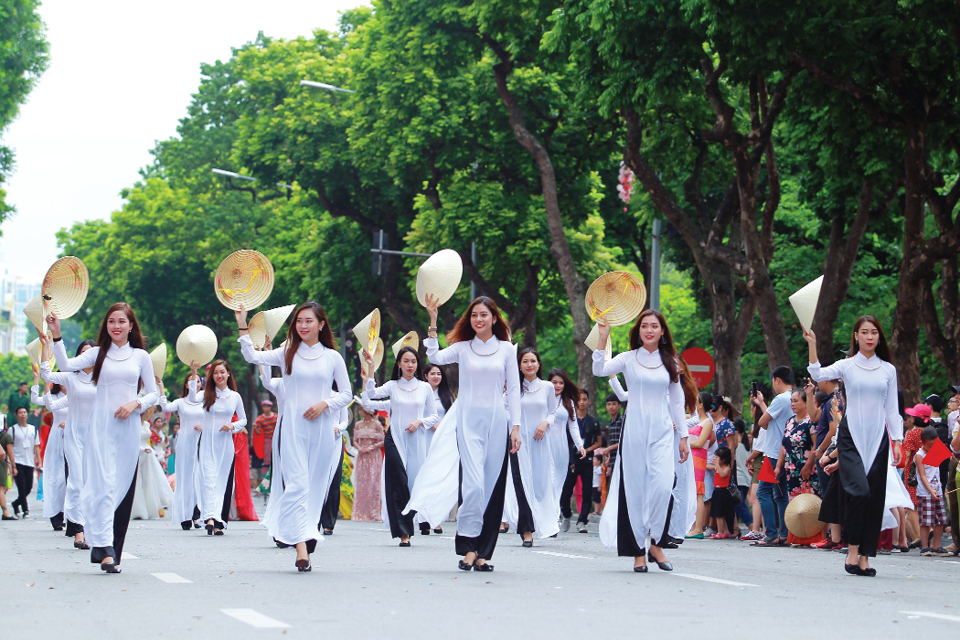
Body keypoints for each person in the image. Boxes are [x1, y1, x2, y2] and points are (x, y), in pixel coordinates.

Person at [236, 301, 352, 572]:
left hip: (322, 430)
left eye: (309, 321)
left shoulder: (332, 357)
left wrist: (325, 404)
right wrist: (243, 324)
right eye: (299, 321)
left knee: (314, 487)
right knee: (297, 484)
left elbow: (346, 394)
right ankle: (300, 546)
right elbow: (253, 357)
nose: (303, 325)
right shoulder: (287, 352)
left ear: (321, 324)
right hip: (292, 430)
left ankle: (304, 536)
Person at [49, 303, 159, 573]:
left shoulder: (141, 357)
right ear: (106, 326)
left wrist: (135, 404)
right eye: (111, 321)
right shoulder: (98, 354)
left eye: (122, 321)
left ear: (131, 326)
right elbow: (65, 365)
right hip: (100, 428)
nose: (117, 326)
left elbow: (154, 394)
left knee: (120, 486)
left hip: (128, 428)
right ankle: (105, 549)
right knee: (102, 485)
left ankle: (109, 549)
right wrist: (56, 335)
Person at [416, 294, 523, 572]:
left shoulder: (507, 350)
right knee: (473, 484)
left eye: (484, 315)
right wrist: (433, 323)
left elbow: (513, 390)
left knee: (491, 487)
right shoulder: (463, 348)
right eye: (474, 315)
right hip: (468, 422)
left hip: (497, 422)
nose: (478, 319)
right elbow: (435, 357)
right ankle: (468, 547)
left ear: (494, 318)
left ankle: (483, 553)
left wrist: (516, 427)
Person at [593, 309, 693, 572]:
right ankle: (638, 550)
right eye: (644, 326)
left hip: (661, 432)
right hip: (634, 432)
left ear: (662, 332)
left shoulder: (670, 361)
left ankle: (656, 543)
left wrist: (683, 436)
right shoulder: (628, 358)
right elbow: (599, 369)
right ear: (638, 331)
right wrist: (603, 338)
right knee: (635, 493)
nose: (649, 330)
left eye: (654, 326)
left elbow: (677, 400)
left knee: (662, 488)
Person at [806, 316, 903, 577]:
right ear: (856, 336)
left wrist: (897, 442)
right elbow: (818, 374)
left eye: (874, 332)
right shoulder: (847, 366)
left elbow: (892, 409)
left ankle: (865, 557)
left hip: (878, 439)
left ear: (879, 338)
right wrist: (812, 344)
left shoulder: (887, 370)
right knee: (858, 492)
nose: (869, 336)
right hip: (851, 437)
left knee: (873, 498)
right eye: (864, 332)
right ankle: (851, 550)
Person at [361, 344, 439, 545]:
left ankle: (411, 520)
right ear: (399, 364)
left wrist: (420, 422)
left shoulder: (425, 388)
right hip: (395, 438)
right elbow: (370, 397)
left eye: (413, 361)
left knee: (412, 483)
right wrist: (371, 368)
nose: (410, 365)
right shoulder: (392, 386)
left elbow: (433, 416)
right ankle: (404, 532)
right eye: (406, 361)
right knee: (399, 482)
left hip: (416, 440)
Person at [504, 347, 577, 545]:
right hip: (518, 444)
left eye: (533, 361)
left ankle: (545, 523)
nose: (529, 365)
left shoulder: (547, 387)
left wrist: (545, 423)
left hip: (540, 443)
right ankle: (526, 530)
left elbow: (552, 413)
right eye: (525, 361)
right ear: (519, 366)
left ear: (538, 364)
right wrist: (514, 429)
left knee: (541, 485)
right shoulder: (512, 388)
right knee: (522, 485)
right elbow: (504, 410)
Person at [37, 337, 97, 547]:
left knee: (93, 482)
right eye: (83, 353)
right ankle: (79, 530)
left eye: (92, 352)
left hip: (96, 437)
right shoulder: (71, 378)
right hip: (74, 435)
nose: (87, 356)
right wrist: (46, 346)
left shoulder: (104, 378)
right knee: (77, 481)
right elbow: (46, 375)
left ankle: (92, 527)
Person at [189, 360, 246, 535]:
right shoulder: (206, 395)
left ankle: (217, 519)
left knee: (221, 482)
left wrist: (233, 426)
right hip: (207, 442)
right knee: (208, 479)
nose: (219, 375)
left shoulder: (235, 396)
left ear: (228, 374)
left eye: (222, 372)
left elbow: (244, 419)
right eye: (215, 373)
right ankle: (209, 518)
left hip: (225, 444)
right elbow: (191, 398)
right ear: (211, 376)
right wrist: (193, 372)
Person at [749, 365, 794, 547]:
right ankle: (784, 533)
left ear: (777, 380)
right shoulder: (794, 397)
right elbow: (772, 424)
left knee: (763, 491)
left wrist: (762, 409)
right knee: (781, 494)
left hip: (773, 452)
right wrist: (761, 403)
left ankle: (771, 533)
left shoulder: (780, 399)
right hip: (785, 451)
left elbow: (763, 422)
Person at [158, 373, 204, 530]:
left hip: (201, 441)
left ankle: (198, 514)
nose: (195, 384)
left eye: (198, 381)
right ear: (186, 385)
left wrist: (204, 425)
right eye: (191, 381)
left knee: (199, 476)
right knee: (184, 478)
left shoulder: (206, 402)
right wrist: (161, 388)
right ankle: (185, 514)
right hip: (184, 442)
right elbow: (165, 407)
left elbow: (213, 419)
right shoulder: (180, 402)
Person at [31, 366, 69, 531]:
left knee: (72, 477)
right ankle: (56, 514)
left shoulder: (79, 395)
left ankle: (71, 515)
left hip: (75, 437)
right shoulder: (54, 397)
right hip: (57, 438)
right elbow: (36, 400)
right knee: (56, 476)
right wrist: (37, 379)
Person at [560, 389, 602, 533]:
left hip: (587, 460)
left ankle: (582, 521)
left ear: (588, 401)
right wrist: (570, 458)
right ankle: (566, 515)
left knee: (587, 492)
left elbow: (599, 442)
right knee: (565, 492)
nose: (582, 402)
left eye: (584, 399)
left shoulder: (594, 421)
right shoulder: (568, 420)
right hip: (571, 460)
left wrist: (588, 449)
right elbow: (564, 440)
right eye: (579, 399)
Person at [777, 388, 820, 497]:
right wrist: (778, 467)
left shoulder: (812, 421)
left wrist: (808, 466)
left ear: (806, 403)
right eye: (791, 401)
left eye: (796, 401)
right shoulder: (789, 422)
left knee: (810, 505)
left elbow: (816, 444)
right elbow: (784, 445)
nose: (792, 404)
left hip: (807, 470)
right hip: (791, 471)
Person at [685, 393, 716, 539]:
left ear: (702, 404)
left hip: (698, 459)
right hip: (691, 459)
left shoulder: (707, 422)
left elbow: (699, 443)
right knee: (693, 492)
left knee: (698, 493)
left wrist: (683, 444)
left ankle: (698, 528)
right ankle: (693, 526)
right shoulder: (697, 421)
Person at [914, 426, 949, 556]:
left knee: (941, 520)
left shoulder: (936, 450)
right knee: (926, 521)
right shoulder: (920, 455)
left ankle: (936, 546)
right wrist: (930, 490)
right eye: (930, 445)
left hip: (938, 489)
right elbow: (922, 475)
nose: (933, 447)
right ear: (924, 442)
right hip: (925, 491)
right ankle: (925, 546)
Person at [351, 405, 385, 522]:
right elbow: (354, 440)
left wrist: (371, 447)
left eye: (360, 410)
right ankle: (360, 513)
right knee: (362, 483)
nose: (360, 412)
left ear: (366, 411)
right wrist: (360, 448)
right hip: (362, 456)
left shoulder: (377, 424)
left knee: (373, 483)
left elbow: (382, 440)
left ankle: (374, 512)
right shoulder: (358, 424)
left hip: (373, 455)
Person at [9, 406, 40, 519]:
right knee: (21, 487)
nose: (23, 414)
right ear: (16, 415)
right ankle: (25, 510)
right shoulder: (12, 429)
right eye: (20, 412)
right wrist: (12, 466)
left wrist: (39, 462)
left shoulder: (33, 429)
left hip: (29, 461)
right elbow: (10, 449)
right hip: (17, 461)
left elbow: (36, 447)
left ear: (27, 414)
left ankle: (16, 503)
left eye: (24, 412)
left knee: (28, 488)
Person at [709, 447, 736, 538]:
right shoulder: (717, 467)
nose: (715, 459)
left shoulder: (727, 468)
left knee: (719, 514)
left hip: (723, 492)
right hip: (717, 491)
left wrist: (717, 465)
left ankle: (719, 532)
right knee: (720, 513)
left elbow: (722, 474)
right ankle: (726, 531)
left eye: (717, 457)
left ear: (723, 459)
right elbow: (707, 466)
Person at [253, 399, 277, 477]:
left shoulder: (276, 417)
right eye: (265, 407)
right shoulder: (260, 419)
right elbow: (259, 432)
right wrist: (255, 428)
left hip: (276, 439)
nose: (266, 408)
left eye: (268, 407)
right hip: (268, 439)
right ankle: (266, 478)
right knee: (267, 459)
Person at [0, 423, 15, 519]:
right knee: (1, 489)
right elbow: (10, 452)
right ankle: (5, 512)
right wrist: (13, 467)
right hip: (2, 463)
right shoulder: (6, 436)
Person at [591, 451, 604, 516]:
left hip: (597, 485)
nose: (593, 461)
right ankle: (596, 510)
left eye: (595, 459)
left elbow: (601, 478)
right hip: (593, 485)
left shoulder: (599, 469)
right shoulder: (594, 468)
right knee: (594, 498)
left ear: (599, 461)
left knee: (597, 499)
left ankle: (597, 511)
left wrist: (600, 486)